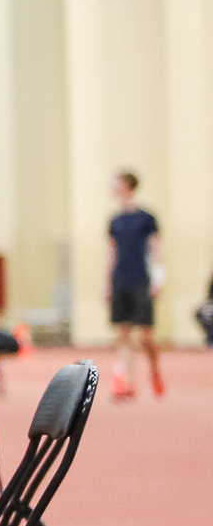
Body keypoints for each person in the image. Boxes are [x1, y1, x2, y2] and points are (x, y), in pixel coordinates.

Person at [105, 170, 162, 400]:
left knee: (146, 337)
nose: (112, 187)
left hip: (141, 279)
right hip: (121, 280)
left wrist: (158, 279)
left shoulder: (146, 218)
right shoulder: (115, 220)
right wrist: (107, 283)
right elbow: (111, 252)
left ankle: (155, 370)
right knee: (123, 333)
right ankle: (129, 382)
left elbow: (155, 249)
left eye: (116, 183)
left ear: (128, 186)